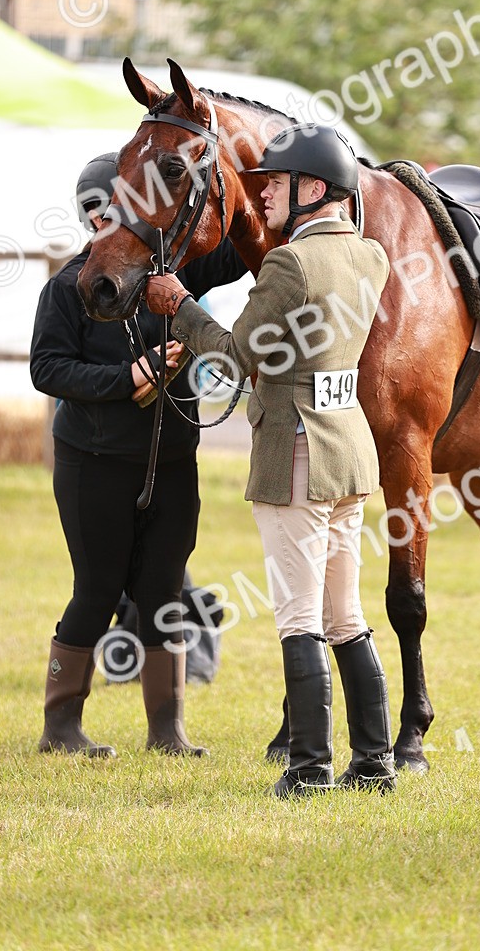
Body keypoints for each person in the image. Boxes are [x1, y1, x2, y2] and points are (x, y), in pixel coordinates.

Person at [144, 124, 397, 795]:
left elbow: (233, 357)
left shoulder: (290, 264)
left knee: (299, 616)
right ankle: (373, 762)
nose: (266, 195)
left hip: (298, 452)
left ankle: (309, 770)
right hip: (348, 452)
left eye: (278, 183)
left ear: (315, 189)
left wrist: (181, 307)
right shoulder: (370, 256)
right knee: (346, 615)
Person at [30, 151, 248, 759]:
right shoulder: (66, 288)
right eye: (108, 213)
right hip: (92, 464)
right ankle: (61, 728)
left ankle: (167, 732)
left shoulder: (173, 279)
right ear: (92, 216)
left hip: (174, 461)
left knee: (163, 593)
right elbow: (47, 369)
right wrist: (128, 377)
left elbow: (232, 247)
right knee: (96, 591)